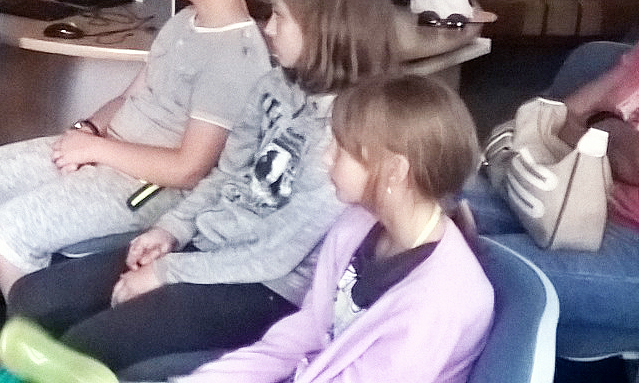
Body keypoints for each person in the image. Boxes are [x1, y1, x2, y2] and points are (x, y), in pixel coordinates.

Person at [7, 0, 400, 379]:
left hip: (267, 287)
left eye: (281, 18)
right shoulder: (274, 85)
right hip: (208, 246)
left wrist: (168, 272)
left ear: (325, 31)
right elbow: (226, 175)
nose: (268, 28)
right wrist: (171, 230)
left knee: (88, 345)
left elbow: (277, 255)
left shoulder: (349, 129)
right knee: (34, 298)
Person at [0, 0, 279, 296]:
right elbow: (129, 95)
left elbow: (188, 170)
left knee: (10, 230)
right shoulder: (183, 21)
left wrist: (96, 150)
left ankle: (27, 333)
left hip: (153, 185)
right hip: (108, 150)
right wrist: (88, 130)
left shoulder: (235, 58)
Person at [178, 75, 493, 383]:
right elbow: (304, 333)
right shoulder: (355, 225)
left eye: (341, 149)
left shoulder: (439, 301)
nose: (327, 158)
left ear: (395, 170)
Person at [465, 40, 639, 357]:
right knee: (429, 199)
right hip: (573, 190)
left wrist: (603, 125)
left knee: (462, 268)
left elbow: (628, 157)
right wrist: (606, 133)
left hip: (629, 237)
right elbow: (561, 116)